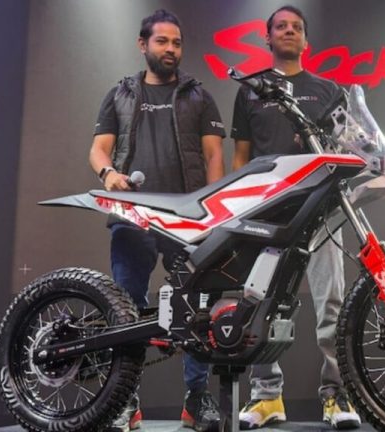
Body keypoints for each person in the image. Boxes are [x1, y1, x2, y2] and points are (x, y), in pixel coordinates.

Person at [88, 9, 225, 432]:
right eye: (162, 41)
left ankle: (196, 400)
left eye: (177, 43)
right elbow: (98, 149)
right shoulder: (120, 94)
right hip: (133, 215)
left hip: (188, 216)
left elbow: (214, 156)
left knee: (198, 310)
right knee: (126, 310)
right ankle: (126, 400)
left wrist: (214, 210)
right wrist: (108, 175)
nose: (171, 49)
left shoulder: (199, 96)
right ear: (142, 44)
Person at [231, 5, 361, 430]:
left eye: (297, 28)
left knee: (332, 304)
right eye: (281, 27)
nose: (289, 31)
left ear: (306, 41)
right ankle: (266, 397)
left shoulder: (329, 90)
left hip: (320, 211)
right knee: (260, 304)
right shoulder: (250, 90)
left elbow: (347, 148)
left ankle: (336, 395)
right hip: (268, 213)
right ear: (267, 38)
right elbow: (241, 157)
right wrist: (240, 206)